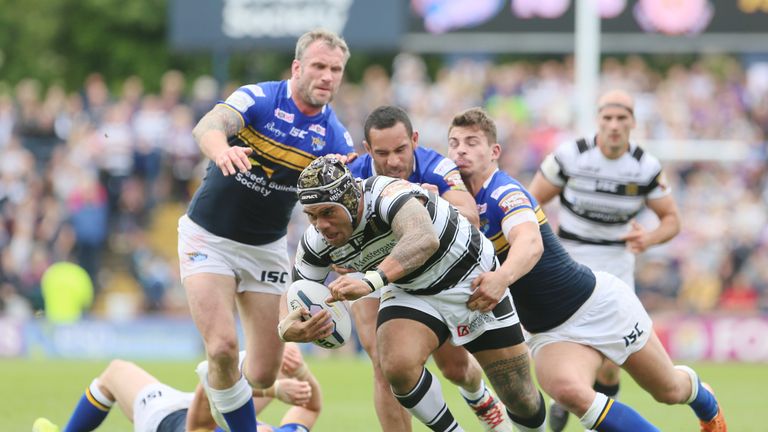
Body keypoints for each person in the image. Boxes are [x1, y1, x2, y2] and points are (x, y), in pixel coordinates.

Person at [446, 107, 726, 432]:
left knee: (668, 390)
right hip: (548, 331)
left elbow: (530, 244)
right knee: (566, 391)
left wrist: (502, 278)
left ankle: (705, 399)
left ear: (494, 152)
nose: (461, 150)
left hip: (597, 303)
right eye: (453, 143)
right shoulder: (449, 200)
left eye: (471, 142)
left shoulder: (504, 192)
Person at [280, 156, 547, 432]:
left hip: (469, 277)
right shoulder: (315, 242)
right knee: (395, 365)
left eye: (327, 213)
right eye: (311, 216)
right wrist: (287, 328)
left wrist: (371, 281)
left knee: (521, 397)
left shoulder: (386, 194)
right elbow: (299, 294)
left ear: (350, 199)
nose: (320, 224)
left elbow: (423, 239)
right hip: (411, 289)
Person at [178, 29, 354, 431]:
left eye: (336, 69)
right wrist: (222, 149)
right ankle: (224, 367)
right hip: (209, 237)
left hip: (266, 249)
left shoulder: (334, 136)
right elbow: (209, 124)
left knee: (261, 374)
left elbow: (346, 207)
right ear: (297, 67)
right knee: (222, 345)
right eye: (319, 66)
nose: (327, 76)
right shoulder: (258, 98)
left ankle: (224, 368)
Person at [345, 105, 513, 431]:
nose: (393, 161)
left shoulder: (437, 165)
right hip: (374, 269)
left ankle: (479, 396)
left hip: (429, 271)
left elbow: (471, 216)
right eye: (382, 153)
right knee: (383, 362)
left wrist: (431, 207)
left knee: (454, 368)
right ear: (367, 150)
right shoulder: (352, 177)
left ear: (415, 140)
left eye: (400, 150)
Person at [527, 89, 681, 431]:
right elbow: (527, 202)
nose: (613, 125)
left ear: (633, 122)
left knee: (612, 363)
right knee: (566, 347)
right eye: (607, 118)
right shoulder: (569, 156)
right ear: (598, 120)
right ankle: (564, 398)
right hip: (568, 265)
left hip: (616, 267)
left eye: (621, 118)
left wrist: (649, 238)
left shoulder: (644, 167)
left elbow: (672, 219)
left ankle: (582, 412)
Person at [31, 343, 322, 432]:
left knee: (115, 372)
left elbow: (209, 385)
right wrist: (300, 371)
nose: (269, 429)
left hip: (162, 416)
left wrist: (272, 390)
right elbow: (311, 406)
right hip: (211, 408)